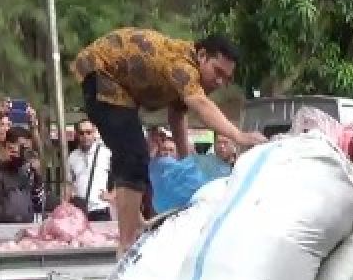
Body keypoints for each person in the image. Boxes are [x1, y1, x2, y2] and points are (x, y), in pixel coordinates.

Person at [70, 29, 267, 251]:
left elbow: (177, 115)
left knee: (133, 153)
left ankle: (135, 224)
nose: (220, 82)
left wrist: (188, 162)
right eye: (217, 72)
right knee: (133, 154)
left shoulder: (188, 78)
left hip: (119, 88)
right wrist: (240, 136)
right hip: (101, 73)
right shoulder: (184, 64)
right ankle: (126, 242)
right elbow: (200, 105)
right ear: (202, 56)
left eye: (226, 79)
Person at [65, 119, 112, 221]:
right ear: (77, 134)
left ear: (94, 133)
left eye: (88, 132)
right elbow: (68, 183)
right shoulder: (72, 156)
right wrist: (65, 205)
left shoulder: (106, 153)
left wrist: (112, 195)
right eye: (82, 133)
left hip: (100, 210)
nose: (85, 136)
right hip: (78, 212)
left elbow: (122, 177)